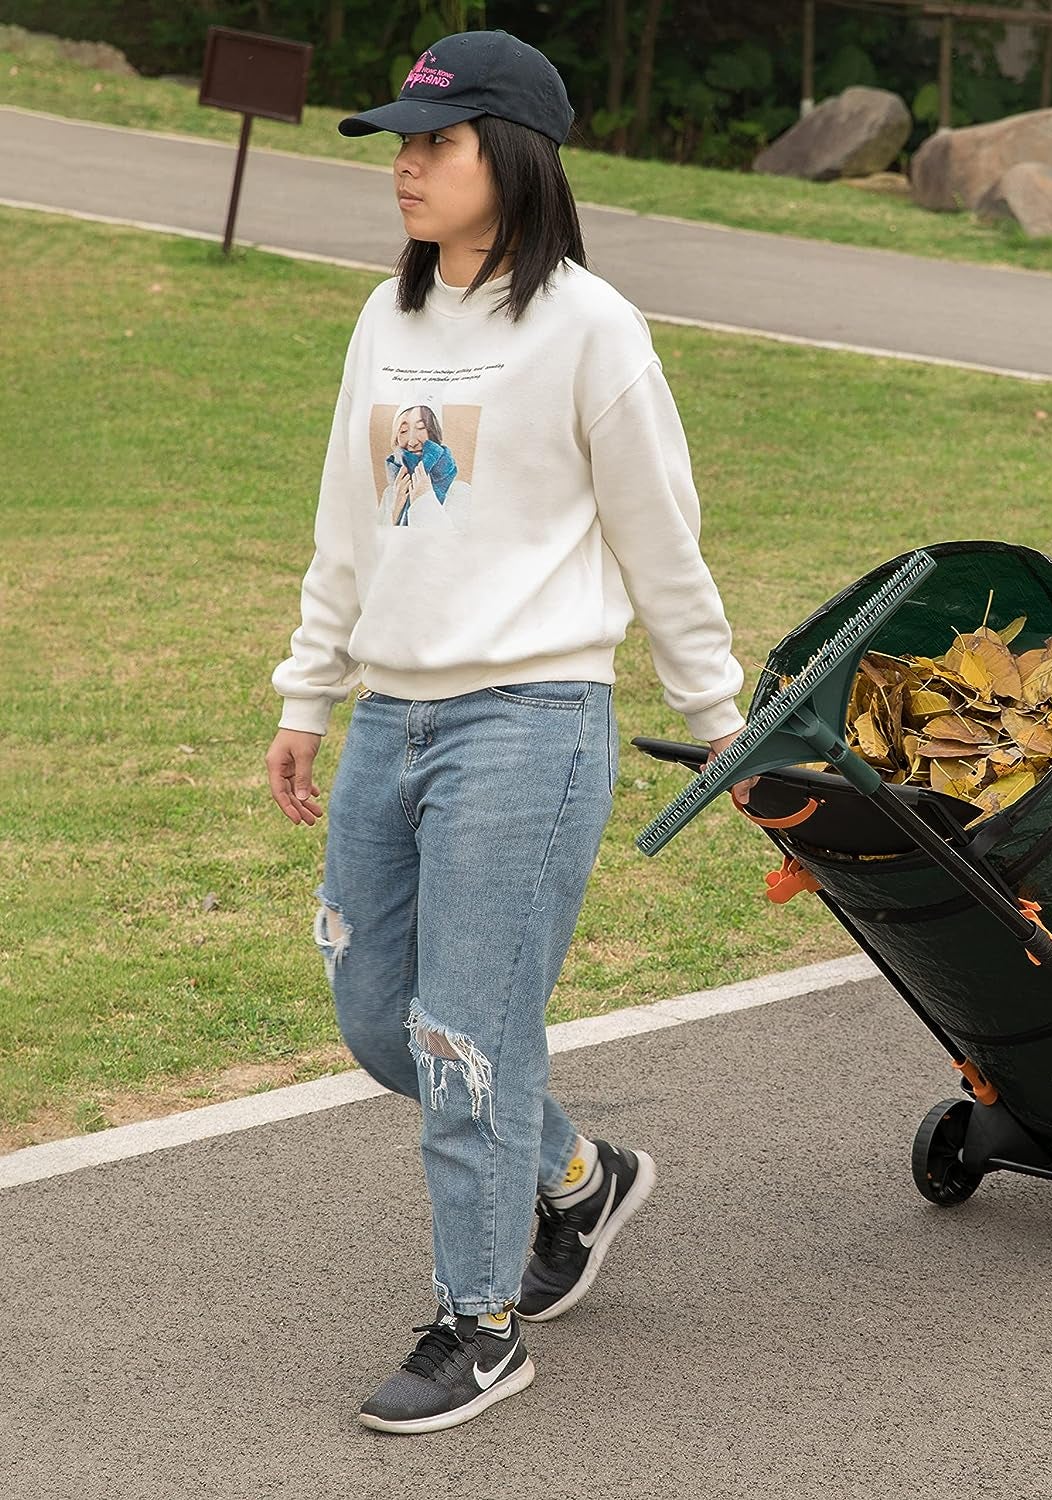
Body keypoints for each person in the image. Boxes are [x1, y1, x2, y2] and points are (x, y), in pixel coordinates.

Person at [264, 29, 752, 1437]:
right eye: (401, 145)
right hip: (393, 719)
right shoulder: (386, 321)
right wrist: (311, 694)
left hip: (530, 722)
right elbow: (348, 527)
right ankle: (579, 1182)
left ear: (516, 161)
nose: (406, 168)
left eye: (437, 143)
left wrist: (714, 712)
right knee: (380, 1020)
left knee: (465, 1036)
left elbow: (663, 536)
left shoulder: (591, 328)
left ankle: (479, 1325)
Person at [379, 403, 459, 526]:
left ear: (434, 432)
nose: (412, 442)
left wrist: (424, 498)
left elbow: (457, 541)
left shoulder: (459, 491)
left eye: (421, 427)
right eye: (403, 431)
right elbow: (379, 541)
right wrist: (395, 510)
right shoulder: (390, 494)